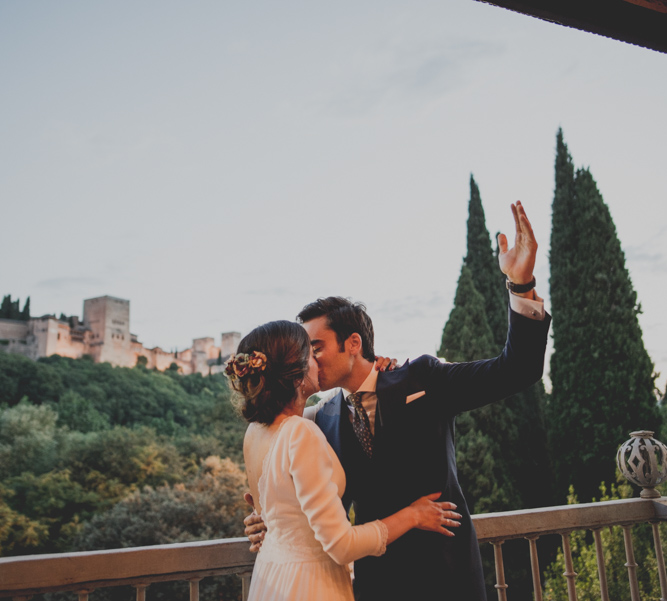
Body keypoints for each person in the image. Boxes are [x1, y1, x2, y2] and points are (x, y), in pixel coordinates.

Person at [245, 201, 551, 601]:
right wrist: (264, 520)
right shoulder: (319, 420)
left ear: (353, 344)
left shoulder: (423, 378)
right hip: (375, 585)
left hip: (447, 578)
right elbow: (306, 499)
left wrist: (521, 286)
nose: (309, 360)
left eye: (316, 347)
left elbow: (516, 370)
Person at [230, 320, 462, 601]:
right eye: (311, 355)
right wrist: (413, 515)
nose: (318, 362)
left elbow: (278, 508)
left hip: (271, 578)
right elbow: (341, 545)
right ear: (297, 374)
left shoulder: (255, 432)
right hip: (310, 585)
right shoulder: (301, 432)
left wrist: (384, 374)